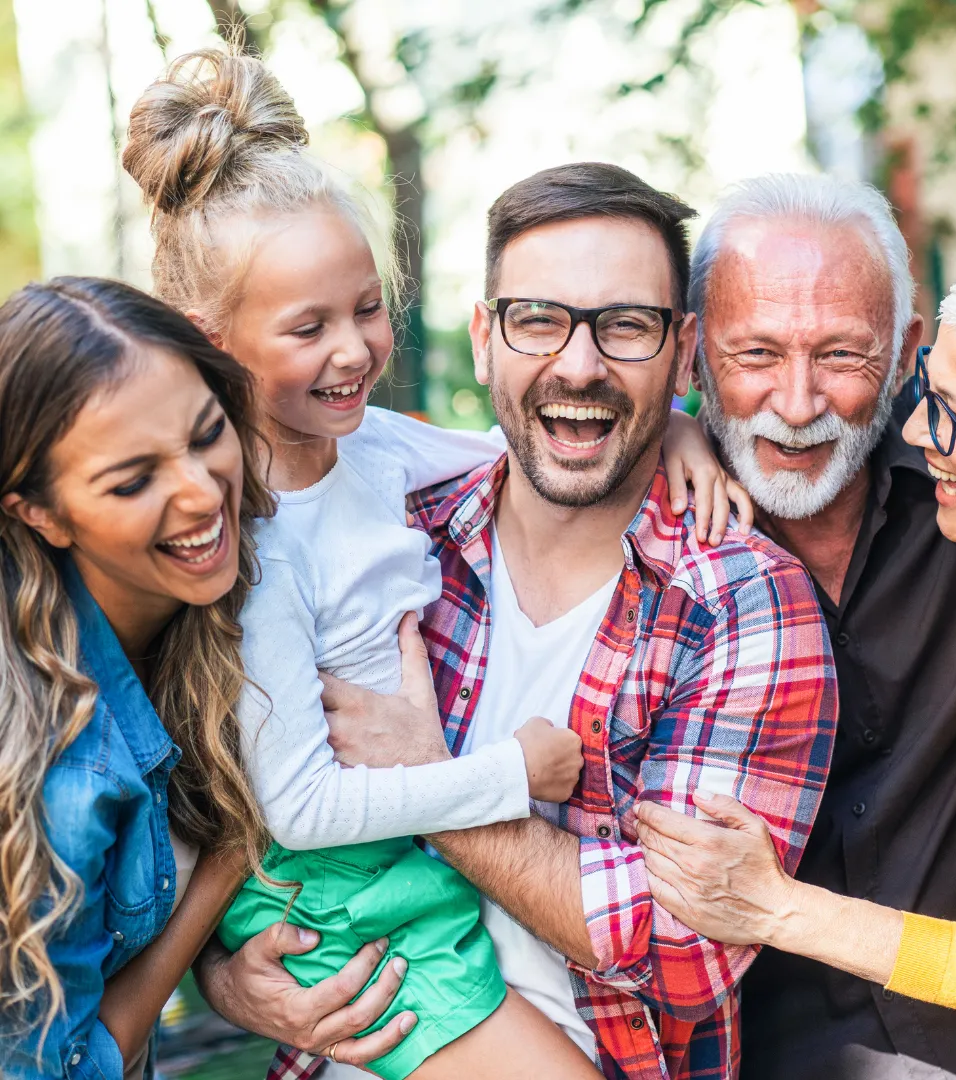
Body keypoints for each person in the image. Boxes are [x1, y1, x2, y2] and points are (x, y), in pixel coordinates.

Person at [122, 57, 740, 1079]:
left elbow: (544, 437)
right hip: (334, 884)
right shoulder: (260, 546)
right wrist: (509, 776)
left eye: (366, 308)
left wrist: (676, 428)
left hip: (394, 868)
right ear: (212, 343)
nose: (356, 349)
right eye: (308, 328)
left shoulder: (370, 451)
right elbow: (300, 806)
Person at [295, 162, 839, 1080]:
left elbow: (686, 947)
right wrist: (227, 978)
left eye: (626, 326)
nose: (578, 365)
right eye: (538, 320)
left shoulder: (744, 603)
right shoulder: (392, 540)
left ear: (683, 349)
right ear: (483, 339)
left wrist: (428, 781)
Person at [637, 243, 956, 1080]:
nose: (918, 430)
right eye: (926, 392)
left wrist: (775, 907)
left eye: (947, 411)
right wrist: (672, 423)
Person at [0, 277, 409, 1079]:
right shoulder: (55, 776)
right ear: (38, 513)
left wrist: (678, 435)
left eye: (206, 433)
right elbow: (64, 1066)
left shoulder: (229, 585)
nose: (200, 493)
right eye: (132, 481)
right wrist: (229, 862)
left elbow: (391, 448)